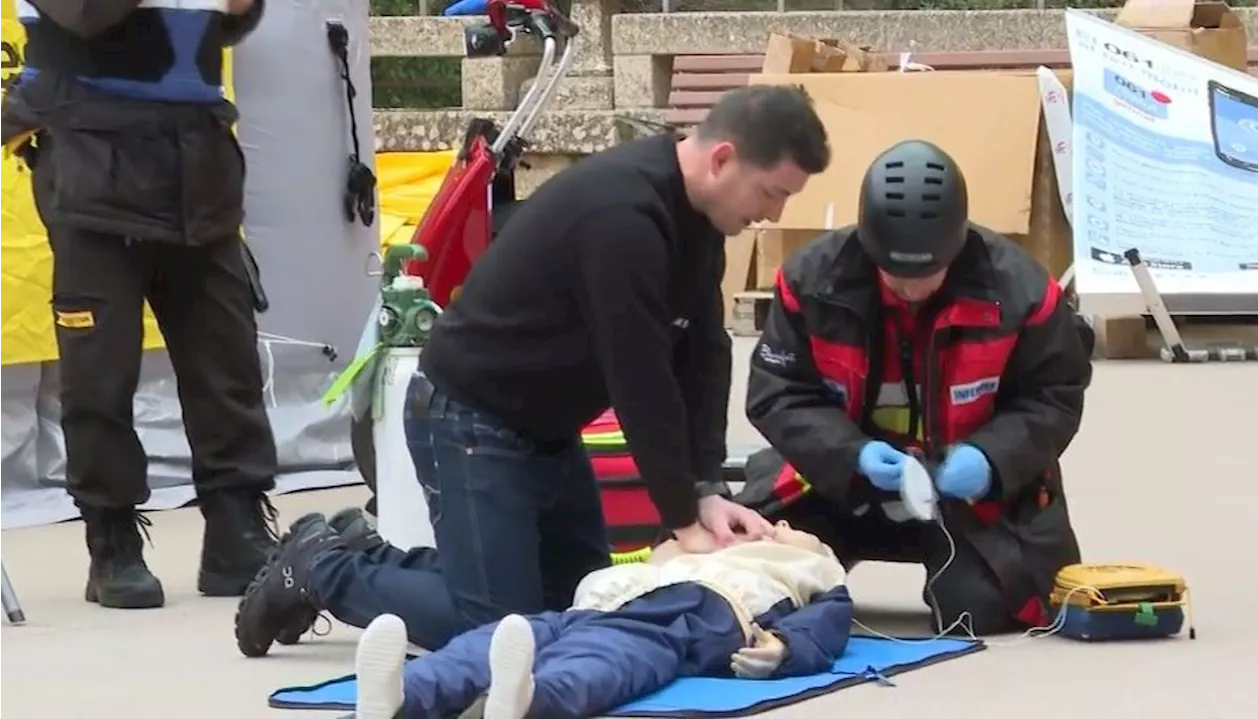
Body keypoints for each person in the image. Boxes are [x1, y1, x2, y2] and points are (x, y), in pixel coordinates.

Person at [233, 85, 832, 657]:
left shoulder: (699, 221)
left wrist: (704, 488)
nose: (771, 214)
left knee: (579, 608)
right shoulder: (624, 213)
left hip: (544, 429)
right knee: (497, 629)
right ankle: (319, 567)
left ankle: (367, 557)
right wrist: (680, 518)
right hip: (469, 419)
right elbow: (640, 379)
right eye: (772, 193)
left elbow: (704, 356)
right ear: (723, 159)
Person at [739, 139, 1094, 636]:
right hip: (837, 482)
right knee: (757, 589)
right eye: (895, 274)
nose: (911, 289)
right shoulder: (810, 281)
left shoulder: (1022, 291)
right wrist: (852, 455)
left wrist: (991, 458)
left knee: (984, 612)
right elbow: (778, 392)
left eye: (928, 273)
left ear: (958, 241)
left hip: (968, 496)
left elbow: (1053, 395)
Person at [0, 0, 280, 610]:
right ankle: (112, 541)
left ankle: (236, 529)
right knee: (100, 371)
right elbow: (82, 15)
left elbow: (225, 21)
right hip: (91, 157)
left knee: (226, 360)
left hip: (199, 163)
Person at [348, 520, 852, 719]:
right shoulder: (707, 545)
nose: (778, 526)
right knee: (501, 637)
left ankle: (531, 699)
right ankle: (402, 694)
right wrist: (686, 542)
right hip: (601, 602)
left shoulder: (811, 571)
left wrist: (786, 648)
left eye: (793, 530)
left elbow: (827, 624)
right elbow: (662, 545)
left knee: (605, 661)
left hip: (691, 613)